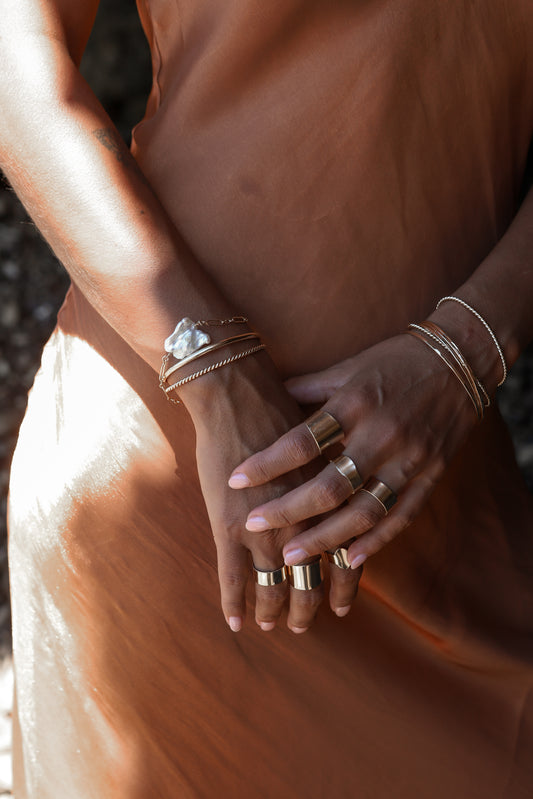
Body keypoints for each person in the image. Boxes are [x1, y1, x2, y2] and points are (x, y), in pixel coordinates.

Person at [2, 0, 533, 796]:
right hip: (175, 504)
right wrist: (215, 377)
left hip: (426, 511)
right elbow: (16, 62)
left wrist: (467, 347)